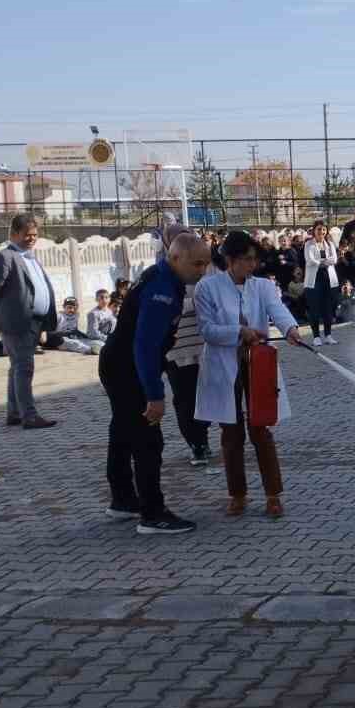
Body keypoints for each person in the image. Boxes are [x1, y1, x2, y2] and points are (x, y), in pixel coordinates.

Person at [98, 232, 213, 535]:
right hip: (128, 369)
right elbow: (145, 346)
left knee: (122, 432)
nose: (202, 270)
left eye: (206, 264)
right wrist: (154, 394)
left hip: (119, 363)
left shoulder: (165, 277)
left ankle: (123, 500)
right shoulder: (161, 288)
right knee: (148, 441)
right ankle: (152, 513)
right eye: (196, 264)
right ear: (175, 258)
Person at [194, 230, 305, 519]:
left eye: (255, 260)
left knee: (261, 429)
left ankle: (273, 495)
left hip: (258, 363)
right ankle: (237, 495)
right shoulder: (207, 288)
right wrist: (238, 332)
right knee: (231, 433)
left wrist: (291, 329)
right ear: (229, 260)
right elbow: (206, 330)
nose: (252, 265)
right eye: (246, 260)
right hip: (223, 363)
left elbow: (277, 311)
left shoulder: (263, 287)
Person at [0, 213, 60, 429]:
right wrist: (2, 318)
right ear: (14, 233)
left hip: (34, 322)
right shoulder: (4, 257)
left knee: (16, 367)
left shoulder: (31, 256)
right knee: (24, 368)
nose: (32, 238)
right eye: (27, 235)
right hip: (17, 323)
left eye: (35, 235)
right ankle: (29, 416)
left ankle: (14, 412)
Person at [159, 225, 214, 467]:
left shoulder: (204, 268)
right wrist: (195, 304)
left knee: (205, 397)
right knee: (185, 399)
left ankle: (203, 437)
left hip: (204, 346)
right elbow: (167, 307)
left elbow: (214, 301)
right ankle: (196, 444)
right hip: (177, 349)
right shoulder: (163, 274)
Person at [303, 220, 341, 345]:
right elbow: (310, 260)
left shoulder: (330, 244)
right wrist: (323, 262)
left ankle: (328, 335)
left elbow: (334, 259)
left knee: (328, 308)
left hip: (329, 279)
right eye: (319, 229)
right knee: (314, 308)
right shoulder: (309, 244)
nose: (321, 232)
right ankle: (316, 337)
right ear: (314, 231)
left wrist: (322, 262)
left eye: (324, 229)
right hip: (314, 280)